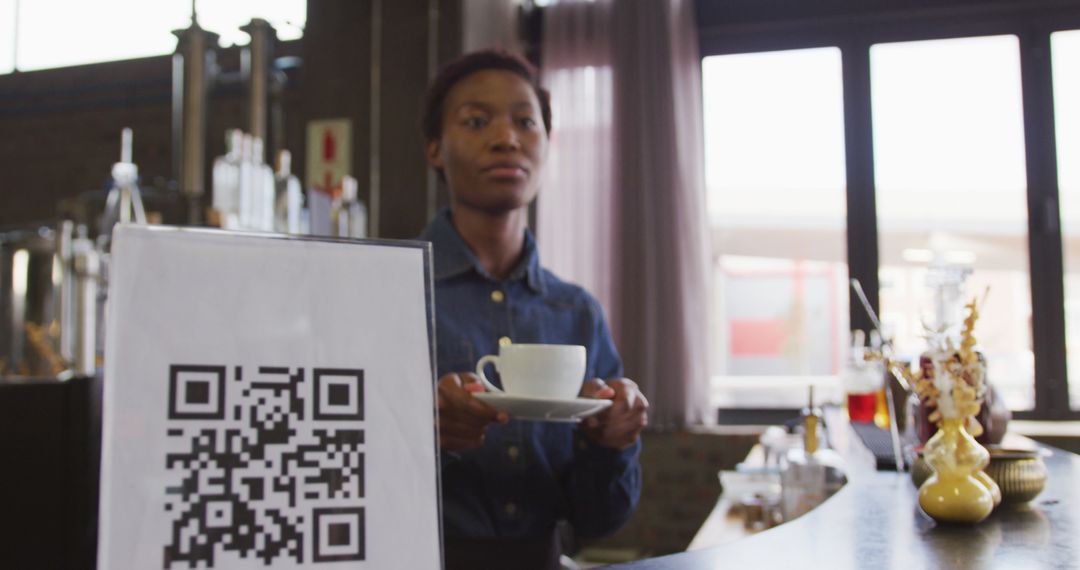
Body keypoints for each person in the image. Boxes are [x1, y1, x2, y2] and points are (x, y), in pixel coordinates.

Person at [418, 49, 649, 570]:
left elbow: (600, 520)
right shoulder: (392, 292)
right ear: (435, 147)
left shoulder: (576, 311)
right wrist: (426, 434)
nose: (507, 138)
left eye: (526, 121)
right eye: (477, 121)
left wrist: (611, 442)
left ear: (547, 142)